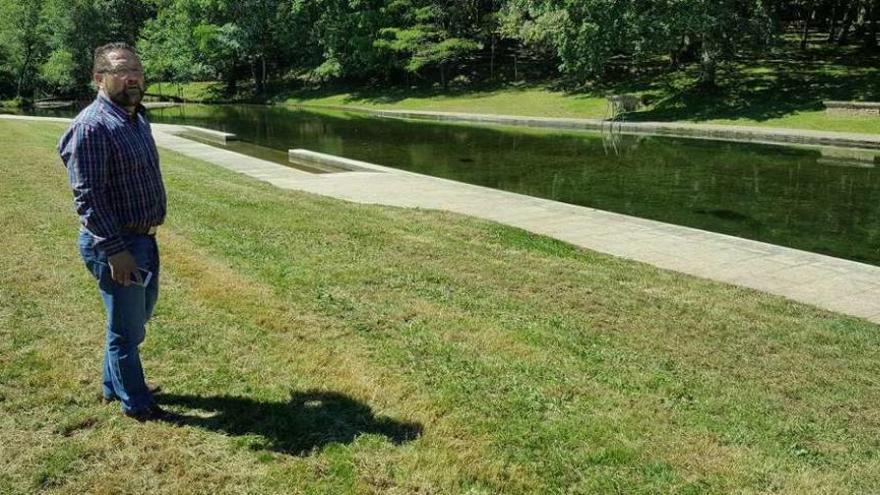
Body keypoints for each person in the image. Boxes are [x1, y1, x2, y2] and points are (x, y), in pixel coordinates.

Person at [59, 42, 169, 421]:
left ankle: (113, 384)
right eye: (122, 70)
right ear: (98, 78)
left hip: (144, 238)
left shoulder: (135, 117)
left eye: (136, 69)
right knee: (127, 331)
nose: (133, 76)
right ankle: (135, 402)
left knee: (136, 318)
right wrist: (115, 251)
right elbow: (88, 196)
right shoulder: (92, 126)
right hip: (118, 243)